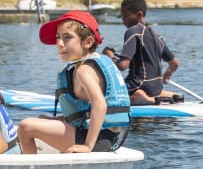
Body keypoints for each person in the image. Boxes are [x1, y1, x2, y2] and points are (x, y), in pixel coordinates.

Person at [17, 10, 131, 154]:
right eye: (58, 37)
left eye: (67, 38)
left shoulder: (84, 70)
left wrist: (88, 146)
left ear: (88, 42)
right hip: (108, 136)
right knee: (42, 119)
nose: (59, 43)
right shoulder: (94, 62)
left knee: (26, 127)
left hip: (97, 140)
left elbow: (100, 105)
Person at [102, 0, 181, 105]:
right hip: (157, 86)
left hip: (138, 84)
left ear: (139, 14)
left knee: (104, 94)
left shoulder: (133, 31)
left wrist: (109, 56)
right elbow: (174, 63)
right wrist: (167, 75)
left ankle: (141, 97)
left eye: (125, 16)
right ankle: (169, 96)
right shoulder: (157, 36)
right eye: (122, 16)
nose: (123, 20)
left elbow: (122, 66)